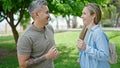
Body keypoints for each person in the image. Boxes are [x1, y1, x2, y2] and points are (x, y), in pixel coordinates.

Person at [17, 0, 59, 68]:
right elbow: (22, 64)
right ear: (37, 14)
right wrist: (46, 57)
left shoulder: (50, 28)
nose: (49, 15)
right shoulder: (26, 37)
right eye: (47, 12)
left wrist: (55, 54)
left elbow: (51, 50)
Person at [77, 3, 110, 68]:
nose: (81, 16)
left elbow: (104, 55)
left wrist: (86, 48)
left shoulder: (98, 33)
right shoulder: (86, 31)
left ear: (93, 15)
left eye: (84, 13)